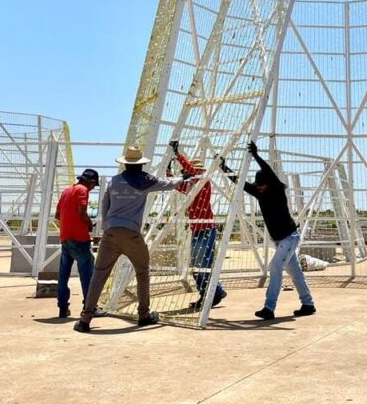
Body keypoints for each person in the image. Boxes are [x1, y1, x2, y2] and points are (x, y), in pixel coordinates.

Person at [74, 145, 188, 332]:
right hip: (132, 234)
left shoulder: (114, 182)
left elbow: (105, 206)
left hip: (111, 233)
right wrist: (182, 178)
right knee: (142, 273)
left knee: (99, 275)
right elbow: (168, 184)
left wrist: (107, 228)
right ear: (141, 165)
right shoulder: (146, 181)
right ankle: (143, 315)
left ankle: (85, 319)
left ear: (125, 164)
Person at [221, 141, 315, 320]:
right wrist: (223, 167)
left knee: (275, 267)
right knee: (295, 273)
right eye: (258, 185)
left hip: (289, 237)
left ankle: (269, 307)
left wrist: (256, 155)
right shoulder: (259, 192)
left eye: (263, 184)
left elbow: (269, 172)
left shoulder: (278, 190)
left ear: (269, 183)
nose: (260, 187)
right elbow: (239, 182)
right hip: (280, 240)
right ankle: (308, 304)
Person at [167, 139, 227, 311]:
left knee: (201, 265)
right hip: (199, 228)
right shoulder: (192, 187)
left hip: (206, 228)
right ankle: (215, 291)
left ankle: (209, 294)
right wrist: (169, 171)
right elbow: (175, 185)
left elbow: (192, 173)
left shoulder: (203, 182)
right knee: (199, 265)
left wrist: (178, 155)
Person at [54, 168, 99, 319]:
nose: (92, 188)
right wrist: (89, 224)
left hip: (65, 237)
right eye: (93, 185)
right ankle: (90, 306)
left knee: (63, 274)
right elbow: (82, 212)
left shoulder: (67, 191)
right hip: (79, 239)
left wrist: (69, 223)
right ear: (90, 182)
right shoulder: (82, 190)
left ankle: (62, 307)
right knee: (87, 273)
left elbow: (57, 215)